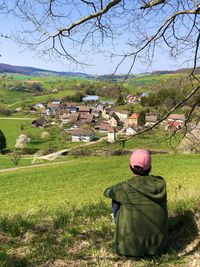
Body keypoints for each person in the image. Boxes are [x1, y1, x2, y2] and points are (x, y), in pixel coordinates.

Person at [104, 149, 168, 257]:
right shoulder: (160, 183)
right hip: (158, 247)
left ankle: (117, 223)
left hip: (128, 248)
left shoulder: (124, 187)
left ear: (131, 167)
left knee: (116, 199)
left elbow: (107, 192)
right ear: (150, 167)